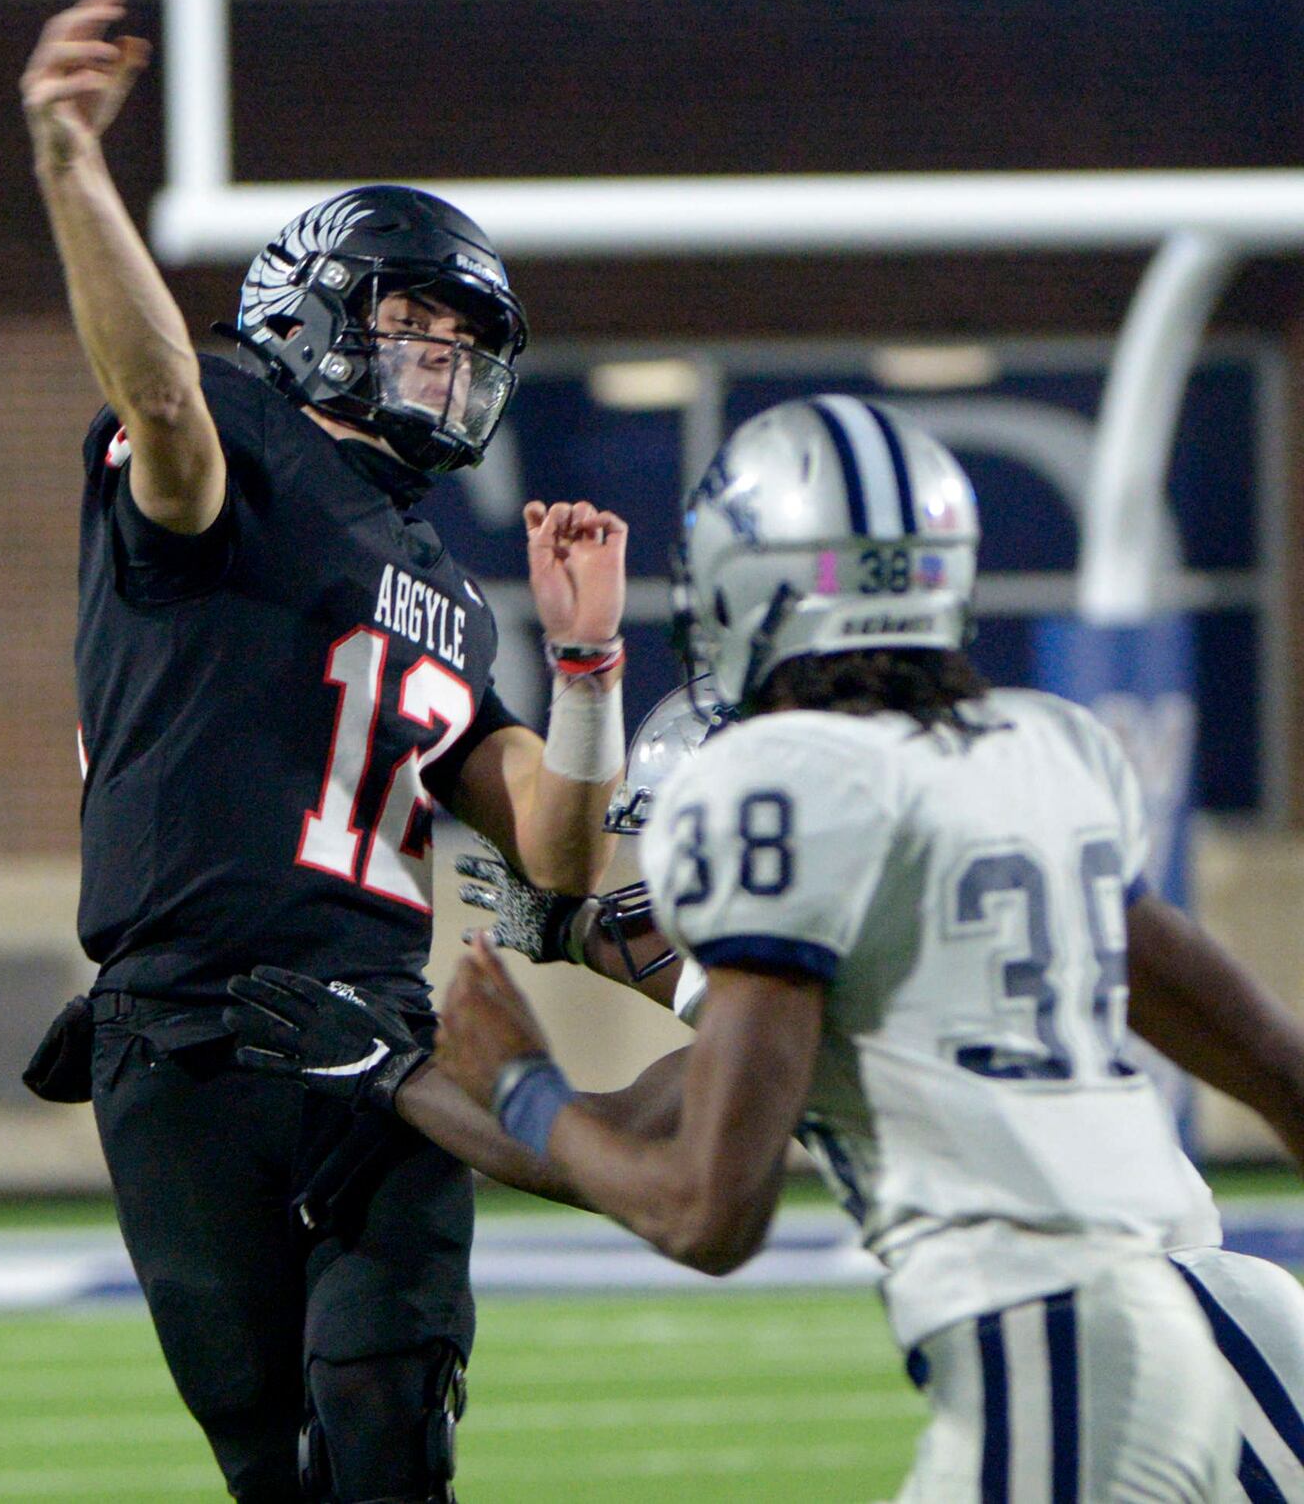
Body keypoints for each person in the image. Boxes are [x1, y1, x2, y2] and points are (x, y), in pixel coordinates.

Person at [19, 0, 630, 1504]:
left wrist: (589, 661)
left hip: (379, 1036)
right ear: (312, 308)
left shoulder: (442, 584)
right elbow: (156, 394)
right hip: (190, 1034)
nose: (438, 357)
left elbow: (551, 847)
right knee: (275, 1467)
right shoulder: (227, 428)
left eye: (462, 337)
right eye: (409, 319)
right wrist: (69, 164)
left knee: (390, 1433)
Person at [432, 396, 1257, 1498]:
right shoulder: (1035, 747)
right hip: (1232, 1321)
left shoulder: (773, 785)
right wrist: (431, 1055)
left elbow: (700, 1203)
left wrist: (518, 1081)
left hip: (1059, 1338)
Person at [233, 672, 1304, 1497]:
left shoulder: (827, 967)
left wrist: (400, 1072)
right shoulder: (915, 890)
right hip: (1156, 1329)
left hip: (1142, 1353)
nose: (667, 884)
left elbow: (634, 1150)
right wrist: (570, 931)